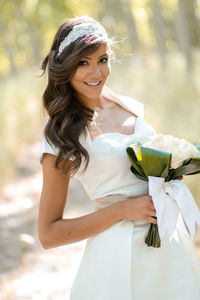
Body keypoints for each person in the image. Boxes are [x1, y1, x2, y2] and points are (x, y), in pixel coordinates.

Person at [38, 15, 200, 300]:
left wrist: (169, 172)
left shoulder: (126, 105)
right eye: (82, 63)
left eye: (102, 60)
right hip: (118, 255)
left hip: (168, 245)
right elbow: (49, 234)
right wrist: (122, 210)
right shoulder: (61, 137)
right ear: (65, 68)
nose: (96, 73)